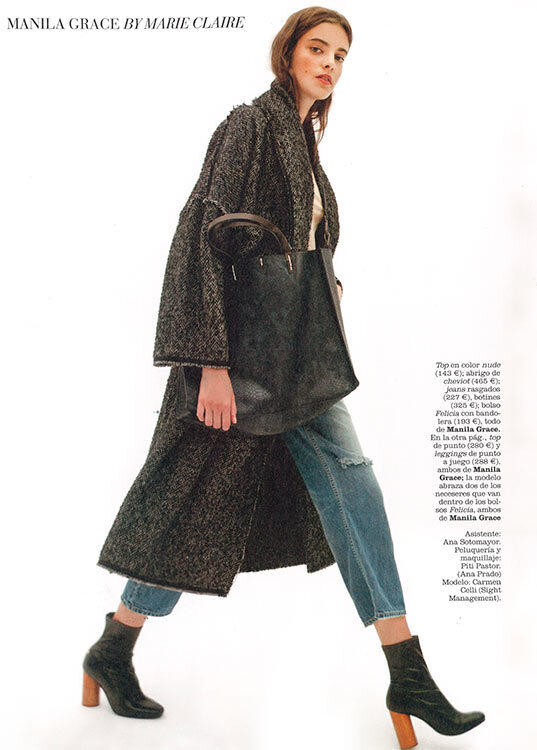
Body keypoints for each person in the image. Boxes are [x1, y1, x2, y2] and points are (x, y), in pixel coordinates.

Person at [82, 7, 485, 747]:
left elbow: (299, 250)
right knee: (191, 503)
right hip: (238, 359)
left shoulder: (302, 143)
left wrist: (328, 291)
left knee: (350, 484)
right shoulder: (249, 124)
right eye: (317, 48)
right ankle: (113, 648)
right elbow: (201, 234)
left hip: (300, 361)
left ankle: (406, 669)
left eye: (341, 55)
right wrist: (210, 364)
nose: (329, 63)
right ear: (288, 53)